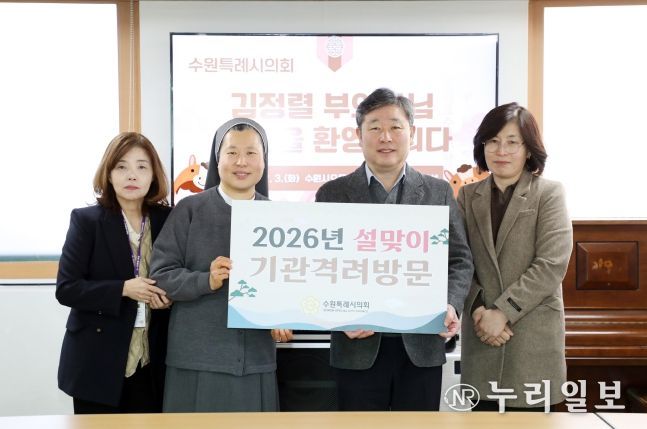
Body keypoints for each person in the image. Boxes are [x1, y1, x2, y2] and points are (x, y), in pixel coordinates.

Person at [315, 88, 473, 411]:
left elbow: (459, 259)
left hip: (421, 347)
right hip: (356, 347)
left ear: (411, 133)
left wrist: (451, 304)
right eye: (374, 127)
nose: (385, 137)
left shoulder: (438, 192)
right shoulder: (332, 194)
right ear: (358, 135)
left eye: (395, 127)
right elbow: (317, 266)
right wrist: (338, 316)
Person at [149, 118, 292, 413]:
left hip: (255, 359)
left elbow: (292, 282)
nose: (241, 162)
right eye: (232, 152)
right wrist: (206, 280)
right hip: (195, 360)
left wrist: (286, 315)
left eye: (251, 153)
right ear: (217, 159)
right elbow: (160, 276)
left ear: (264, 160)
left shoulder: (279, 217)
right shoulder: (189, 209)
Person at [457, 102, 573, 411]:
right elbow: (459, 261)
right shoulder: (467, 196)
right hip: (482, 334)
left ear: (529, 149)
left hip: (530, 338)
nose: (501, 151)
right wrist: (479, 312)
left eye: (512, 142)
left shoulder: (549, 193)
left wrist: (502, 313)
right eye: (492, 141)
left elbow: (551, 265)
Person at [56, 132, 172, 414]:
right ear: (108, 174)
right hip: (97, 360)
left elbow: (177, 273)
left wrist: (169, 299)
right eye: (121, 167)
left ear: (153, 175)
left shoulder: (168, 219)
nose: (132, 175)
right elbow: (67, 288)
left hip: (152, 360)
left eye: (141, 167)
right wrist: (123, 288)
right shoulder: (86, 221)